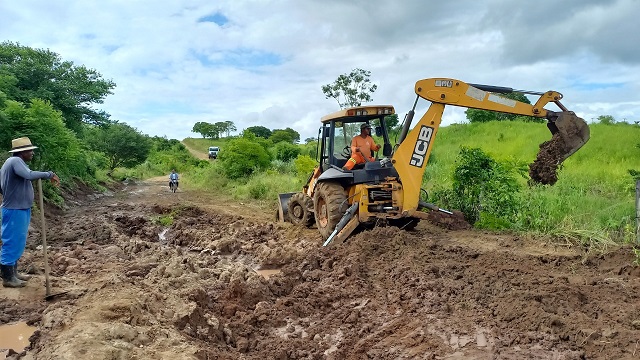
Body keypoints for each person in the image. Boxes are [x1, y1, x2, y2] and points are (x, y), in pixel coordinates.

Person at [0, 137, 59, 288]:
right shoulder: (15, 162)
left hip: (18, 209)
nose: (32, 153)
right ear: (22, 152)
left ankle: (13, 273)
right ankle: (8, 278)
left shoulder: (11, 164)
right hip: (14, 210)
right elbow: (29, 175)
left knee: (17, 242)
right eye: (30, 150)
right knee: (12, 243)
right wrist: (48, 174)